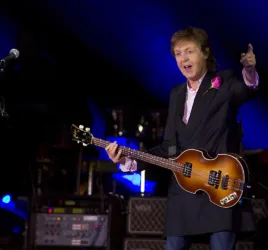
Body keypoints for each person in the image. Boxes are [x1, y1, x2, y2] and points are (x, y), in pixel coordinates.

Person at [105, 27, 259, 250]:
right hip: (183, 188)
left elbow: (248, 89)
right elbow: (169, 147)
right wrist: (128, 160)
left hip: (219, 183)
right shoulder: (176, 94)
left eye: (189, 51)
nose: (183, 58)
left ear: (205, 53)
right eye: (178, 53)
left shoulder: (223, 83)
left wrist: (250, 70)